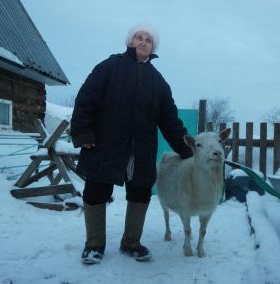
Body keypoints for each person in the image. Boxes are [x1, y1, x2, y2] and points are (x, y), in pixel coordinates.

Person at [70, 23, 192, 265]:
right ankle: (94, 245)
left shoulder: (158, 82)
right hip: (105, 145)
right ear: (130, 41)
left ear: (152, 47)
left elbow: (170, 121)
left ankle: (131, 243)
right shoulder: (109, 67)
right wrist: (83, 134)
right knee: (96, 191)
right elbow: (86, 100)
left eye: (148, 39)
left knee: (140, 193)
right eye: (139, 37)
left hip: (141, 149)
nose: (143, 42)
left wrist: (187, 149)